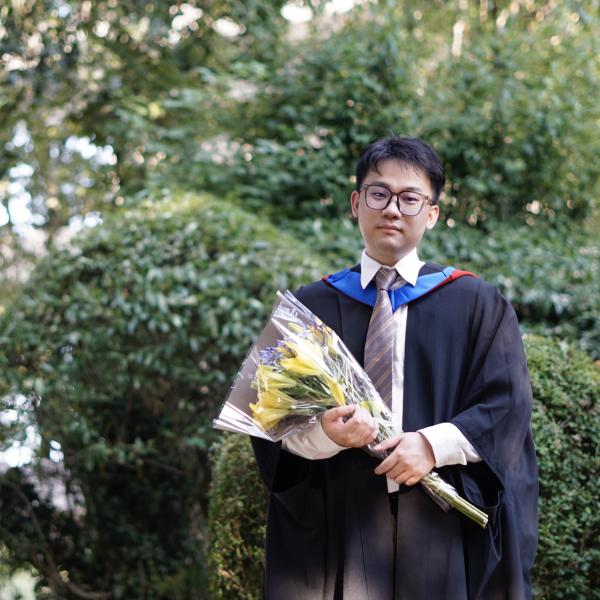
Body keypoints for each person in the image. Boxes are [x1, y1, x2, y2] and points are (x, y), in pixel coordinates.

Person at [252, 136, 538, 599]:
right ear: (356, 202)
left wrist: (430, 446)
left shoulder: (476, 303)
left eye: (410, 198)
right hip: (336, 525)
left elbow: (507, 407)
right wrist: (325, 432)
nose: (392, 209)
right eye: (378, 193)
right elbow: (269, 423)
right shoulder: (308, 307)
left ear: (432, 214)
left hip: (438, 527)